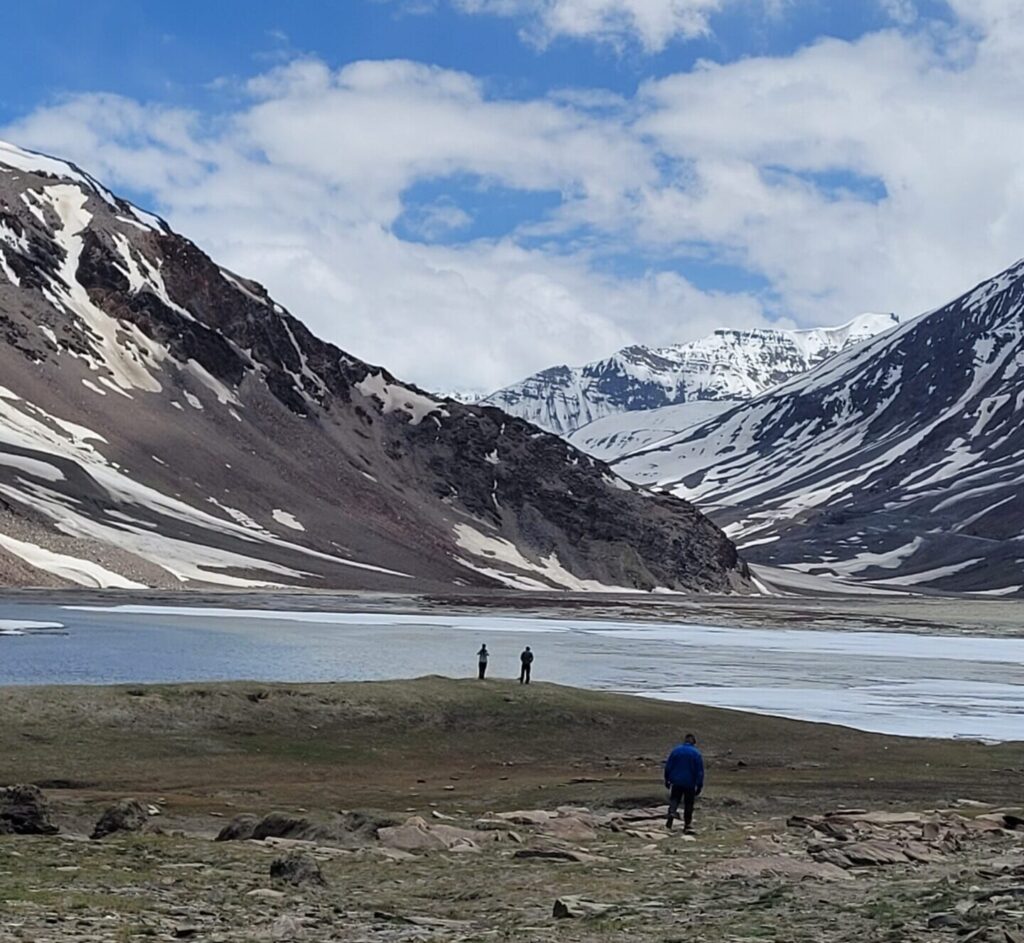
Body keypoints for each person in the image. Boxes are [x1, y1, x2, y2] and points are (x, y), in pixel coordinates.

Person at [664, 733, 704, 833]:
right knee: (688, 804)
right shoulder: (696, 753)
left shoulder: (676, 751)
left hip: (676, 781)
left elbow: (668, 766)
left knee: (674, 799)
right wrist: (699, 785)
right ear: (694, 742)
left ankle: (671, 815)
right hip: (690, 783)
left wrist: (667, 779)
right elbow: (699, 771)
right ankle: (687, 825)